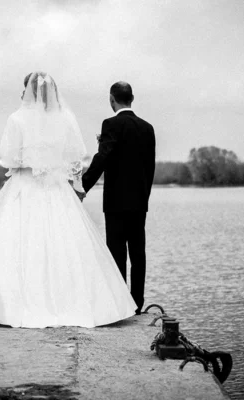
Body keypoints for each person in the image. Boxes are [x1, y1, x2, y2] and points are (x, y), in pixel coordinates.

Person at [0, 72, 136, 328]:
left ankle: (13, 306)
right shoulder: (66, 118)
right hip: (57, 189)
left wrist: (32, 163)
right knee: (66, 244)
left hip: (26, 187)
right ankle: (77, 302)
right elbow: (75, 158)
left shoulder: (16, 118)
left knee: (21, 244)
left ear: (28, 91)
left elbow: (10, 159)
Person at [81, 81, 156, 315]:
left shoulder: (111, 124)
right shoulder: (147, 128)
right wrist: (144, 195)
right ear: (131, 98)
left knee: (116, 253)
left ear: (112, 99)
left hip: (115, 202)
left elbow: (102, 158)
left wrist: (83, 186)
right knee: (138, 253)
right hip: (139, 201)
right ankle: (137, 303)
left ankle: (119, 302)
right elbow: (149, 167)